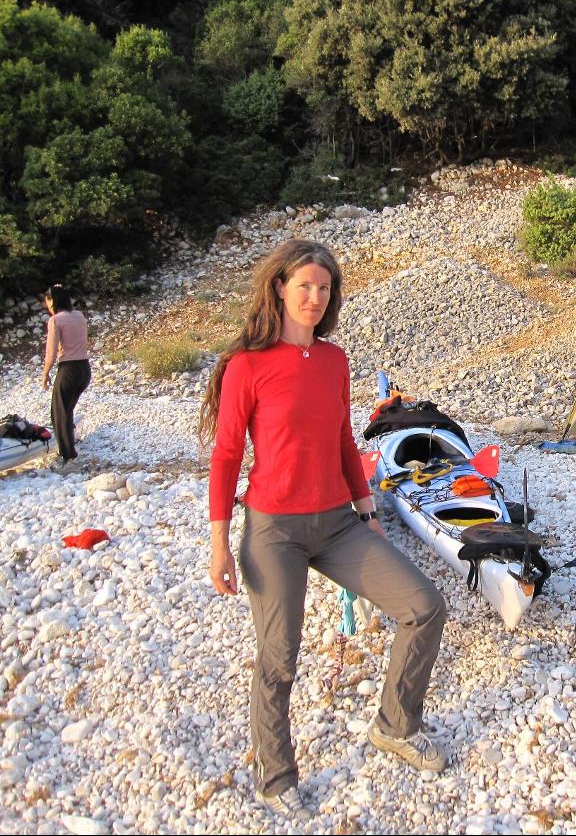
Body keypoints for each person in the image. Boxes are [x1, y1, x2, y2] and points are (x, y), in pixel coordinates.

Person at [198, 238, 448, 821]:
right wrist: (218, 543)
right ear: (279, 288)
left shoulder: (334, 361)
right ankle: (275, 772)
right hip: (273, 530)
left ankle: (395, 725)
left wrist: (368, 513)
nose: (314, 297)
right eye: (304, 285)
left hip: (338, 523)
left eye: (325, 287)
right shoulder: (247, 366)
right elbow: (226, 455)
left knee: (424, 606)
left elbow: (342, 440)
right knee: (279, 657)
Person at [40, 283, 90, 470]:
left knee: (58, 413)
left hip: (68, 369)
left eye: (47, 302)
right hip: (85, 369)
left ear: (53, 301)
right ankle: (70, 447)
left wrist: (45, 375)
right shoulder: (79, 316)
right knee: (67, 410)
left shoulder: (56, 320)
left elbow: (51, 353)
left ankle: (69, 458)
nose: (47, 306)